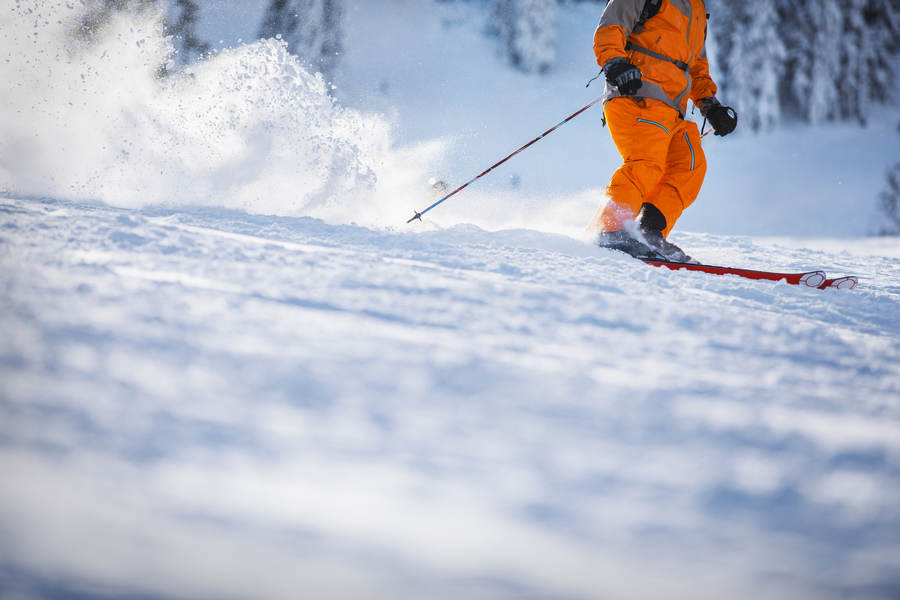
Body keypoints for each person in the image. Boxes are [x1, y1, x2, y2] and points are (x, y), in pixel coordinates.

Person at [589, 0, 738, 263]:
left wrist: (709, 104)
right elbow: (610, 27)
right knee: (646, 162)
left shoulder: (697, 9)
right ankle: (609, 230)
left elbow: (696, 67)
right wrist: (615, 63)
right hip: (636, 94)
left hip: (673, 110)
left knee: (690, 166)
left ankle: (649, 231)